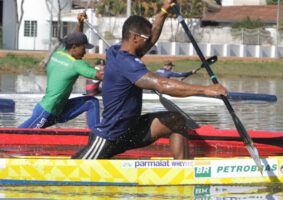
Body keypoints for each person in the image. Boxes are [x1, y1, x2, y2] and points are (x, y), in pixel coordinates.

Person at [72, 0, 227, 160]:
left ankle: (184, 170)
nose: (150, 41)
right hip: (110, 136)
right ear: (134, 38)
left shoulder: (115, 50)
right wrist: (205, 90)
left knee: (176, 120)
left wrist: (164, 12)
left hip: (132, 131)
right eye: (147, 37)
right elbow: (162, 85)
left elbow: (151, 39)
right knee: (74, 171)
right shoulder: (127, 63)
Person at [18, 12, 104, 129]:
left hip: (60, 110)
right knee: (21, 134)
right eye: (83, 49)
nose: (85, 53)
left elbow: (75, 37)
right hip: (46, 111)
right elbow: (100, 75)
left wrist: (80, 23)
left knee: (92, 102)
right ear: (74, 47)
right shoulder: (76, 64)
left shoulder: (59, 53)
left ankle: (95, 135)